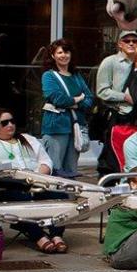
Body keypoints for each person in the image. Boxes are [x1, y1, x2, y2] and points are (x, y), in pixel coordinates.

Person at [0, 108, 69, 253]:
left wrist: (36, 178)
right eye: (4, 123)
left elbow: (46, 161)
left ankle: (57, 235)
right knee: (20, 201)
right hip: (8, 188)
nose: (10, 125)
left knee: (60, 197)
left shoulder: (28, 139)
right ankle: (39, 237)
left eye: (12, 121)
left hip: (37, 183)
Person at [40, 38, 94, 177]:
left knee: (71, 170)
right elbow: (58, 99)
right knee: (55, 168)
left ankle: (70, 197)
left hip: (76, 128)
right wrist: (77, 99)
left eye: (67, 51)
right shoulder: (49, 76)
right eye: (59, 52)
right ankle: (53, 198)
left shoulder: (76, 76)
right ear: (53, 56)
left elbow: (89, 99)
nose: (64, 55)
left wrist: (74, 103)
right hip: (56, 127)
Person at [95, 30, 137, 176]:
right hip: (116, 116)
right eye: (127, 41)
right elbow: (102, 91)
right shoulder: (110, 62)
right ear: (120, 44)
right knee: (112, 156)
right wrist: (125, 97)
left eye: (134, 40)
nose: (131, 43)